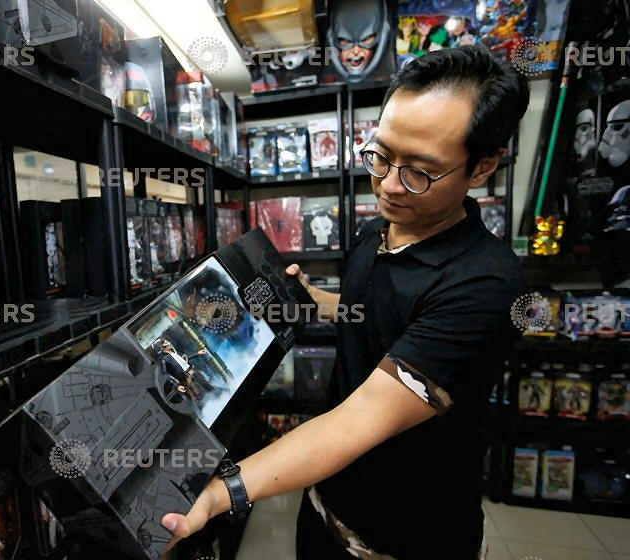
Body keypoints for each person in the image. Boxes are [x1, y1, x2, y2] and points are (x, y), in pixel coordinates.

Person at [161, 45, 529, 560]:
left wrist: (223, 492)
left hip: (405, 540)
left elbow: (359, 418)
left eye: (420, 171)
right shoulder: (378, 231)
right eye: (381, 155)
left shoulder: (487, 284)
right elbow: (374, 309)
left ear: (482, 167)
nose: (388, 185)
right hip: (325, 509)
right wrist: (307, 298)